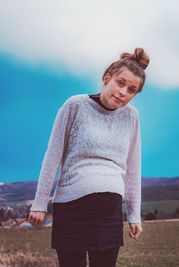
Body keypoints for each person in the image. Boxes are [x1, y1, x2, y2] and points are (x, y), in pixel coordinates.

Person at [28, 47, 149, 267]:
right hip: (72, 209)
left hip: (110, 214)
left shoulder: (132, 117)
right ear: (107, 78)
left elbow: (133, 167)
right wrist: (39, 203)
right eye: (120, 83)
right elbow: (52, 156)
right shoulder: (76, 105)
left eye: (131, 90)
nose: (123, 92)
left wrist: (134, 215)